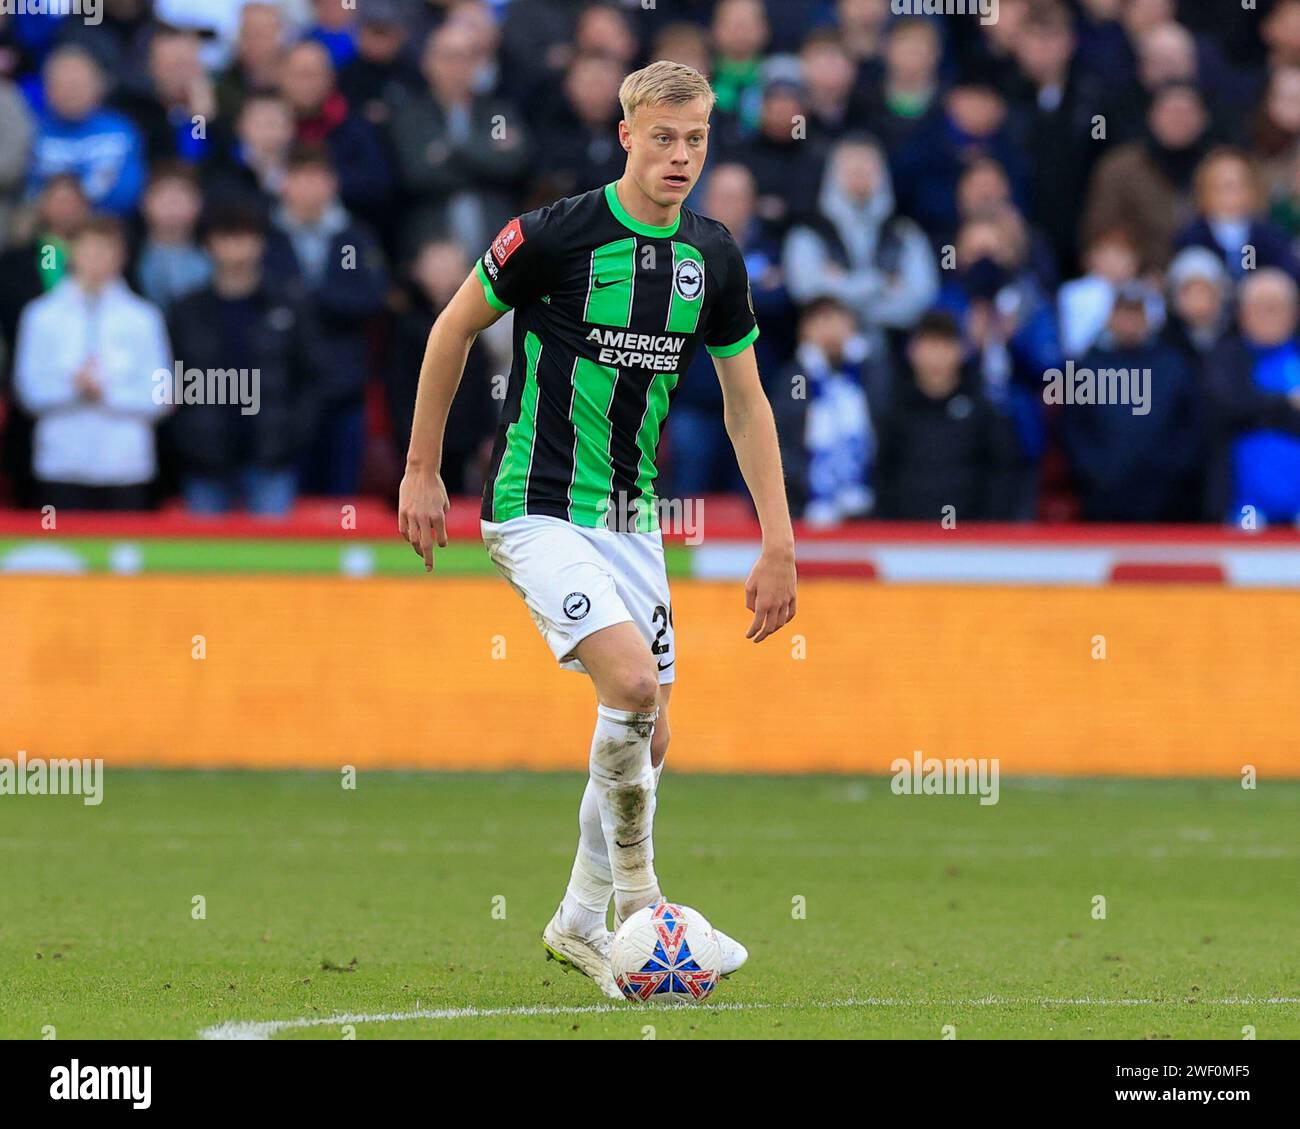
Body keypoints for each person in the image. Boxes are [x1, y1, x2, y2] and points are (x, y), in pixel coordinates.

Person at [396, 61, 797, 998]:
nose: (681, 156)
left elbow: (746, 405)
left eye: (695, 140)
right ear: (627, 135)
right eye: (663, 138)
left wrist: (777, 541)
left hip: (631, 519)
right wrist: (421, 470)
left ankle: (576, 921)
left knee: (647, 739)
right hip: (536, 502)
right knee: (629, 683)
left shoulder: (714, 258)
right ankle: (641, 902)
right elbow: (451, 330)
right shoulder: (551, 234)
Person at [166, 205, 324, 516]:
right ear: (209, 245)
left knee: (272, 560)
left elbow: (312, 378)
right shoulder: (188, 310)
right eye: (227, 237)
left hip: (271, 458)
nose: (236, 248)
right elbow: (168, 380)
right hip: (204, 461)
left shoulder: (289, 305)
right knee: (204, 562)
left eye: (245, 237)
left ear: (260, 242)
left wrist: (290, 438)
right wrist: (189, 441)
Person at [13, 215, 171, 511]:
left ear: (122, 256)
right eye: (90, 250)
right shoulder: (41, 315)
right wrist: (73, 388)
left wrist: (107, 392)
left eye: (107, 251)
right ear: (73, 253)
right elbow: (28, 391)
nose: (98, 260)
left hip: (126, 468)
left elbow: (161, 395)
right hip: (60, 464)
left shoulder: (144, 317)